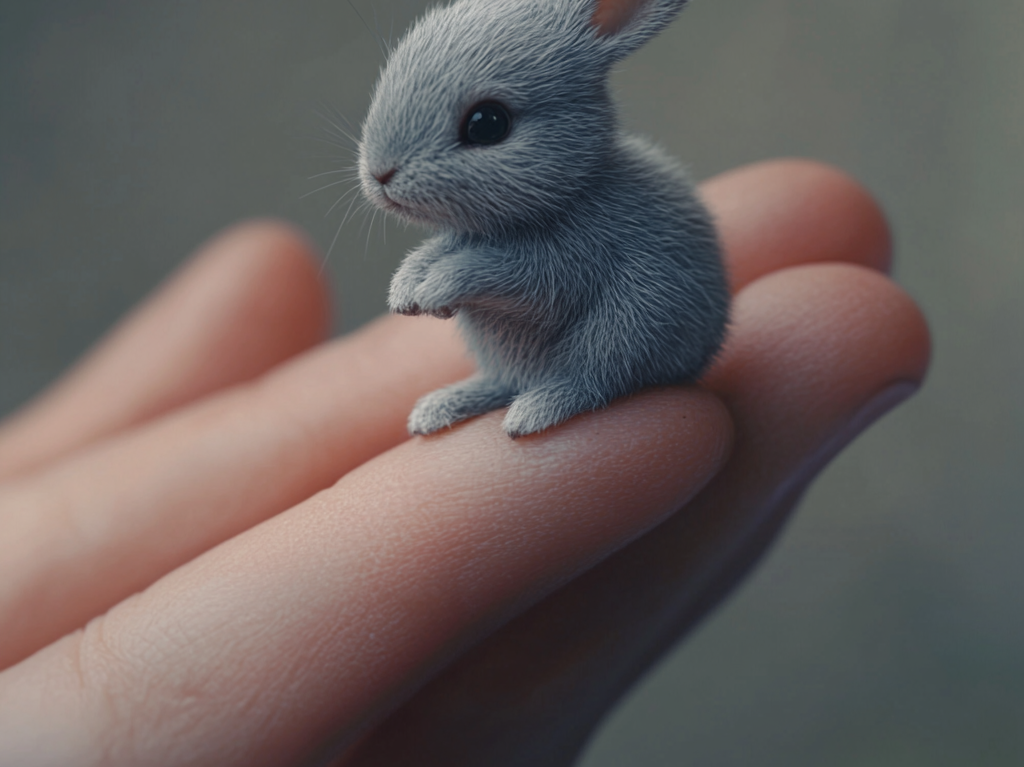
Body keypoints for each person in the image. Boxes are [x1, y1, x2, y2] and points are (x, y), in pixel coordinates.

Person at [0, 159, 929, 766]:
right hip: (530, 350)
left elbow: (550, 274)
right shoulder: (490, 210)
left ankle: (579, 388)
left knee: (631, 316)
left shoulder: (605, 210)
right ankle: (514, 385)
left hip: (627, 337)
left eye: (481, 128)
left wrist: (463, 275)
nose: (387, 170)